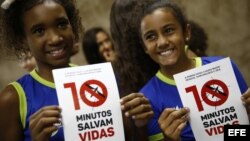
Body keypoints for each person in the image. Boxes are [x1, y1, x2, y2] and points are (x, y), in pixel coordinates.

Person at [0, 0, 153, 141]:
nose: (55, 38)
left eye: (61, 24)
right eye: (39, 30)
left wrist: (140, 125)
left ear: (72, 26)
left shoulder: (98, 80)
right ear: (22, 40)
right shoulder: (13, 98)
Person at [111, 0, 250, 140]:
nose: (162, 42)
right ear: (145, 47)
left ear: (186, 32)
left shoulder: (223, 68)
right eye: (151, 36)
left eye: (169, 30)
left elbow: (244, 132)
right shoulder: (148, 99)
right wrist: (169, 139)